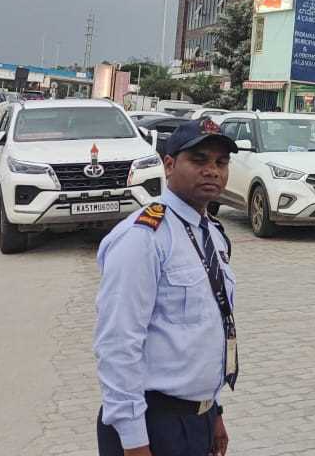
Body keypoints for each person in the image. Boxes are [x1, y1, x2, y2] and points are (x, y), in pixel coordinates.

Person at [95, 117, 239, 455]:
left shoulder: (212, 233)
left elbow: (207, 329)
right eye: (199, 160)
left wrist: (213, 410)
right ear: (169, 164)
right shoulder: (143, 237)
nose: (212, 171)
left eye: (221, 162)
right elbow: (118, 344)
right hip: (152, 424)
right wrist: (133, 442)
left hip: (196, 421)